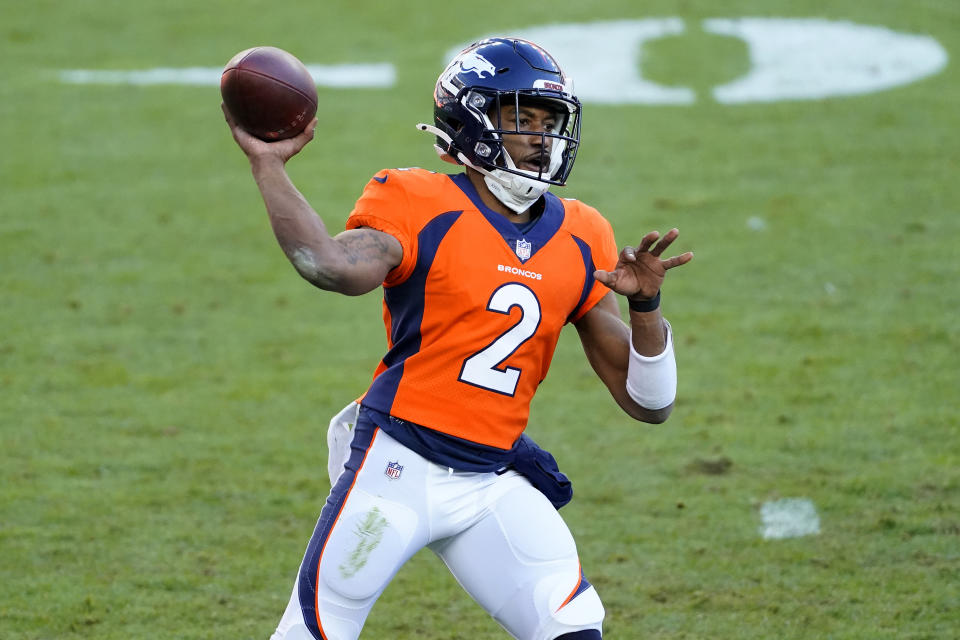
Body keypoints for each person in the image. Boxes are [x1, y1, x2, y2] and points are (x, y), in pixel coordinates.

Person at [224, 37, 693, 640]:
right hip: (396, 466)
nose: (541, 136)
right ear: (472, 117)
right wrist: (269, 167)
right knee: (316, 630)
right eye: (522, 117)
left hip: (492, 481)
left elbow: (649, 404)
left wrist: (647, 307)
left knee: (573, 627)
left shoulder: (582, 233)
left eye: (550, 120)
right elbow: (332, 268)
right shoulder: (418, 199)